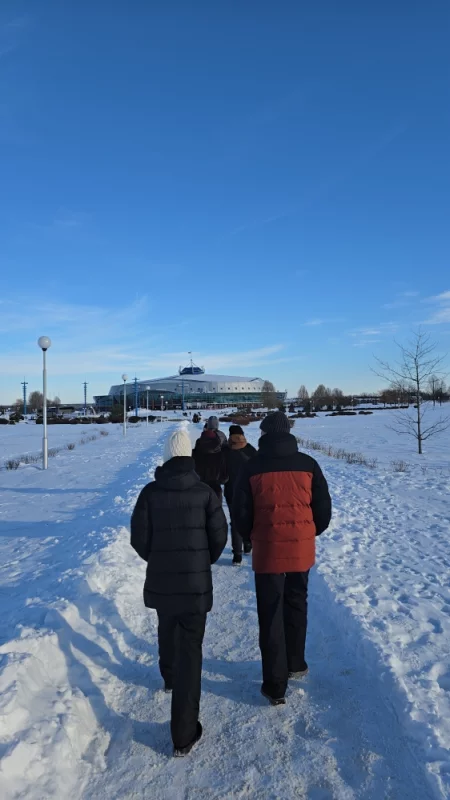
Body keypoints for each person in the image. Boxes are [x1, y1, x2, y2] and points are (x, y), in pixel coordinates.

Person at [130, 429, 227, 756]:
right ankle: (184, 734)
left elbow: (139, 539)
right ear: (189, 456)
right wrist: (202, 561)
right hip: (195, 585)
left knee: (166, 626)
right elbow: (219, 536)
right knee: (191, 650)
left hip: (162, 580)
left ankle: (168, 675)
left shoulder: (150, 493)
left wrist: (157, 559)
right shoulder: (204, 493)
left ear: (166, 457)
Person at [233, 411, 331, 706]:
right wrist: (309, 532)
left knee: (270, 611)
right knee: (296, 602)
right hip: (301, 549)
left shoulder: (252, 468)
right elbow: (323, 509)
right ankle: (295, 662)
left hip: (267, 550)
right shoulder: (308, 464)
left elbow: (240, 513)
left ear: (264, 434)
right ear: (288, 433)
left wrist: (252, 536)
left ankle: (275, 685)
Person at [224, 424, 257, 565]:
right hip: (250, 491)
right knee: (248, 518)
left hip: (232, 491)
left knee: (235, 522)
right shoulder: (250, 450)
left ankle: (237, 555)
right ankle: (248, 545)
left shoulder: (225, 451)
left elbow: (222, 473)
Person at [193, 428, 228, 501]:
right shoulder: (220, 455)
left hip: (197, 492)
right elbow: (224, 477)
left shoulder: (194, 453)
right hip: (215, 492)